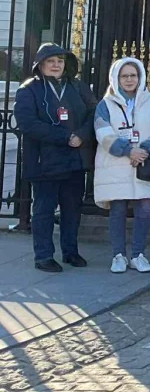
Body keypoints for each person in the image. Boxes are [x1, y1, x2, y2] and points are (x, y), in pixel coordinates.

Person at [15, 43, 96, 272]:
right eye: (50, 61)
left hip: (74, 159)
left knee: (72, 209)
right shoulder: (28, 90)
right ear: (40, 65)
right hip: (44, 161)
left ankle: (70, 252)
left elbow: (94, 112)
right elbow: (28, 123)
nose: (56, 65)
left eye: (60, 61)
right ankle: (43, 256)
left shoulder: (78, 87)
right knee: (44, 210)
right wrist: (65, 137)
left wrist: (81, 135)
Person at [93, 57, 150, 274]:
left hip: (144, 163)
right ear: (116, 78)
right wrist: (128, 150)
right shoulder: (105, 104)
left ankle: (138, 255)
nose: (129, 80)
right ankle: (118, 255)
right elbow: (103, 132)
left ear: (140, 77)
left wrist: (145, 150)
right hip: (115, 164)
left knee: (144, 209)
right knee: (117, 209)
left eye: (133, 75)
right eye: (124, 76)